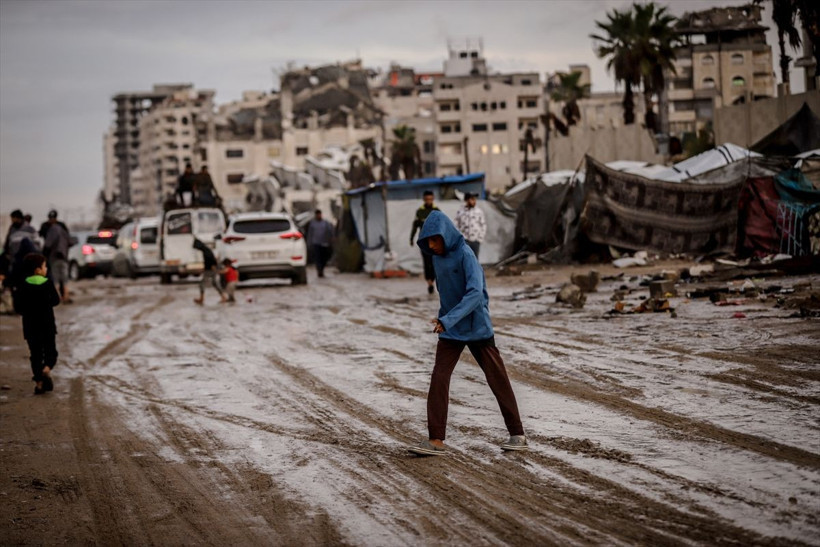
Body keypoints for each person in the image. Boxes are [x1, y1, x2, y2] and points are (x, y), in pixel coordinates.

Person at [409, 211, 526, 456]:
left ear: (445, 235)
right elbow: (445, 292)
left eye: (435, 240)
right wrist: (445, 320)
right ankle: (436, 440)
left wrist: (448, 319)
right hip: (450, 329)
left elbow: (475, 294)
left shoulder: (465, 254)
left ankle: (517, 433)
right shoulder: (437, 258)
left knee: (497, 379)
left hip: (476, 327)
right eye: (427, 241)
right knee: (439, 379)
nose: (431, 245)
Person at [14, 253, 60, 395]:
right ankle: (46, 369)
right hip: (47, 326)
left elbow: (18, 307)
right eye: (44, 266)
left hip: (30, 327)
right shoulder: (48, 283)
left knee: (35, 355)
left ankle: (39, 384)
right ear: (38, 270)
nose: (46, 269)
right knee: (50, 352)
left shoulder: (22, 285)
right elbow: (56, 301)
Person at [410, 190, 440, 294]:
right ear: (424, 199)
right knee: (426, 263)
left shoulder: (436, 210)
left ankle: (435, 280)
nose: (428, 201)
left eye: (430, 199)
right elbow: (415, 225)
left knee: (435, 262)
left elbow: (441, 226)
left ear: (433, 199)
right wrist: (411, 238)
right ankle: (429, 283)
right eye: (427, 199)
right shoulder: (420, 211)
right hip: (424, 242)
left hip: (435, 242)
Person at [41, 210, 72, 303]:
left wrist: (44, 255)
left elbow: (47, 244)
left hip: (53, 257)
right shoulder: (62, 227)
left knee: (55, 278)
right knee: (64, 278)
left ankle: (58, 297)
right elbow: (70, 241)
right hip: (63, 256)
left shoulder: (50, 228)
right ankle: (65, 296)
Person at [192, 238, 227, 305]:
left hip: (210, 270)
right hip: (209, 269)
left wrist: (212, 266)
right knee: (215, 283)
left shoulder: (206, 251)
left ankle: (201, 298)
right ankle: (223, 296)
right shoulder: (205, 250)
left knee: (202, 284)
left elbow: (212, 260)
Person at [453, 192, 486, 260]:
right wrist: (460, 237)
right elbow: (456, 225)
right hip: (464, 241)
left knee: (475, 260)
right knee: (464, 259)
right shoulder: (461, 211)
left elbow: (483, 225)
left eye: (474, 199)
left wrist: (479, 239)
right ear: (466, 200)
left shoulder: (479, 211)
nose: (474, 201)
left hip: (475, 240)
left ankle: (474, 271)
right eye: (472, 199)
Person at [306, 209, 333, 278]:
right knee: (318, 258)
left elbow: (329, 232)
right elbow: (310, 233)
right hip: (316, 243)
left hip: (324, 243)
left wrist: (330, 240)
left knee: (324, 258)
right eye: (317, 214)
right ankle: (319, 271)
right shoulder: (312, 223)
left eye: (319, 214)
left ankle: (322, 269)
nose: (319, 216)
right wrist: (309, 243)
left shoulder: (325, 223)